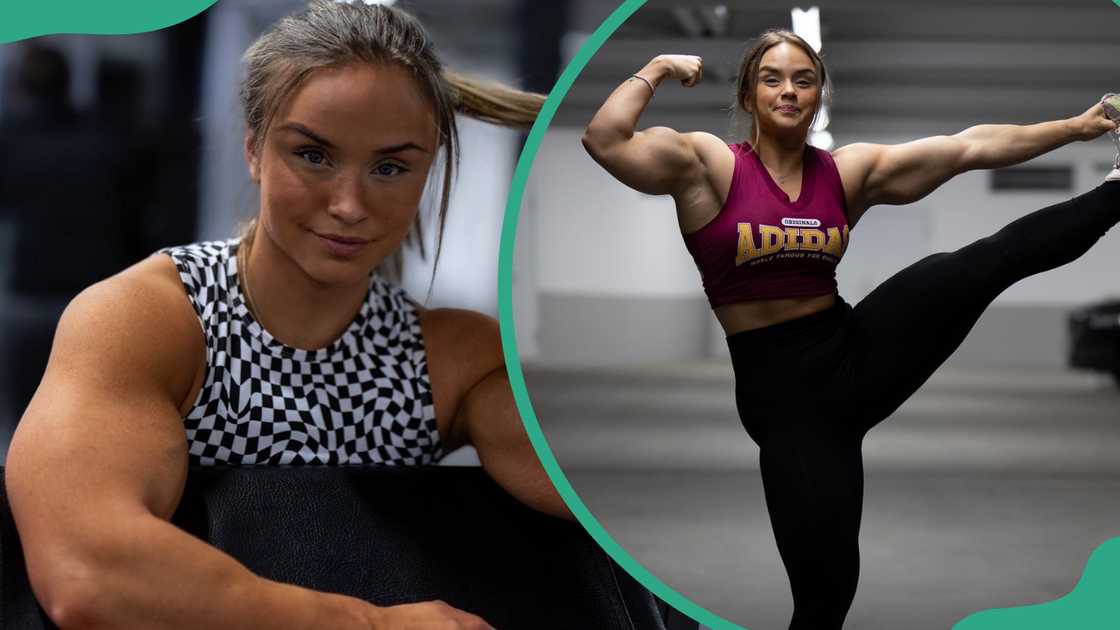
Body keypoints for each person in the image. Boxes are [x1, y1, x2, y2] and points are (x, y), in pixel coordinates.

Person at [5, 2, 565, 629]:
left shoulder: (455, 357)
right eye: (313, 156)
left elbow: (596, 494)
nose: (350, 205)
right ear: (253, 149)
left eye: (390, 167)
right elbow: (90, 573)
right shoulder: (154, 318)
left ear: (426, 171)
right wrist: (375, 625)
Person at [582, 29, 1120, 630]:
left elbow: (970, 147)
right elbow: (605, 139)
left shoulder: (847, 172)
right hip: (788, 403)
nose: (789, 90)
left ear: (819, 95)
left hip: (852, 350)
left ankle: (1117, 190)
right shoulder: (707, 165)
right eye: (772, 78)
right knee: (826, 595)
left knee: (974, 264)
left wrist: (1079, 127)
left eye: (803, 80)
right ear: (749, 94)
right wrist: (657, 66)